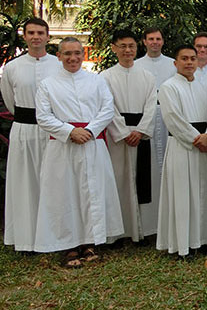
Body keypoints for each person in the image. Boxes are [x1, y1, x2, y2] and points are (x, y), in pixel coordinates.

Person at [34, 37, 122, 267]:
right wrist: (70, 131)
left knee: (92, 192)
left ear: (83, 55)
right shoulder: (48, 84)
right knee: (65, 194)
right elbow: (43, 116)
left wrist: (90, 130)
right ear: (59, 56)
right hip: (63, 147)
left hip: (92, 144)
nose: (72, 58)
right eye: (67, 54)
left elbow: (107, 109)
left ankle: (90, 242)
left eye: (77, 53)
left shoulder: (97, 81)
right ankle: (69, 245)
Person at [1, 18, 60, 252]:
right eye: (31, 33)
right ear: (24, 36)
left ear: (47, 36)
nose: (36, 37)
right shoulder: (13, 67)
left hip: (52, 131)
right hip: (24, 131)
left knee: (52, 181)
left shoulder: (58, 65)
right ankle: (26, 238)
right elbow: (9, 100)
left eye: (40, 33)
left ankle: (54, 236)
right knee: (24, 183)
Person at [100, 30, 157, 242]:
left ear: (137, 47)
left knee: (143, 181)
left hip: (140, 135)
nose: (127, 50)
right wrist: (123, 132)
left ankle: (144, 230)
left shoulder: (147, 76)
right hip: (118, 136)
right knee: (119, 180)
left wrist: (140, 131)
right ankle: (118, 232)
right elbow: (108, 107)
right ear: (114, 48)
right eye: (122, 46)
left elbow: (151, 106)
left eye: (131, 46)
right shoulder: (105, 77)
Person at [156, 45, 207, 257]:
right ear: (175, 62)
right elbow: (173, 118)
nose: (189, 62)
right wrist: (196, 139)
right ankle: (183, 244)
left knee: (202, 193)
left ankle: (202, 239)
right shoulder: (168, 87)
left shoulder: (203, 87)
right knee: (182, 195)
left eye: (192, 59)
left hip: (204, 145)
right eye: (184, 58)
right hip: (182, 146)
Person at [134, 27, 176, 222]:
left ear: (163, 41)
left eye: (158, 39)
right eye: (151, 39)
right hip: (146, 118)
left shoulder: (172, 65)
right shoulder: (137, 66)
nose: (155, 42)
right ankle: (149, 219)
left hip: (168, 117)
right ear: (144, 41)